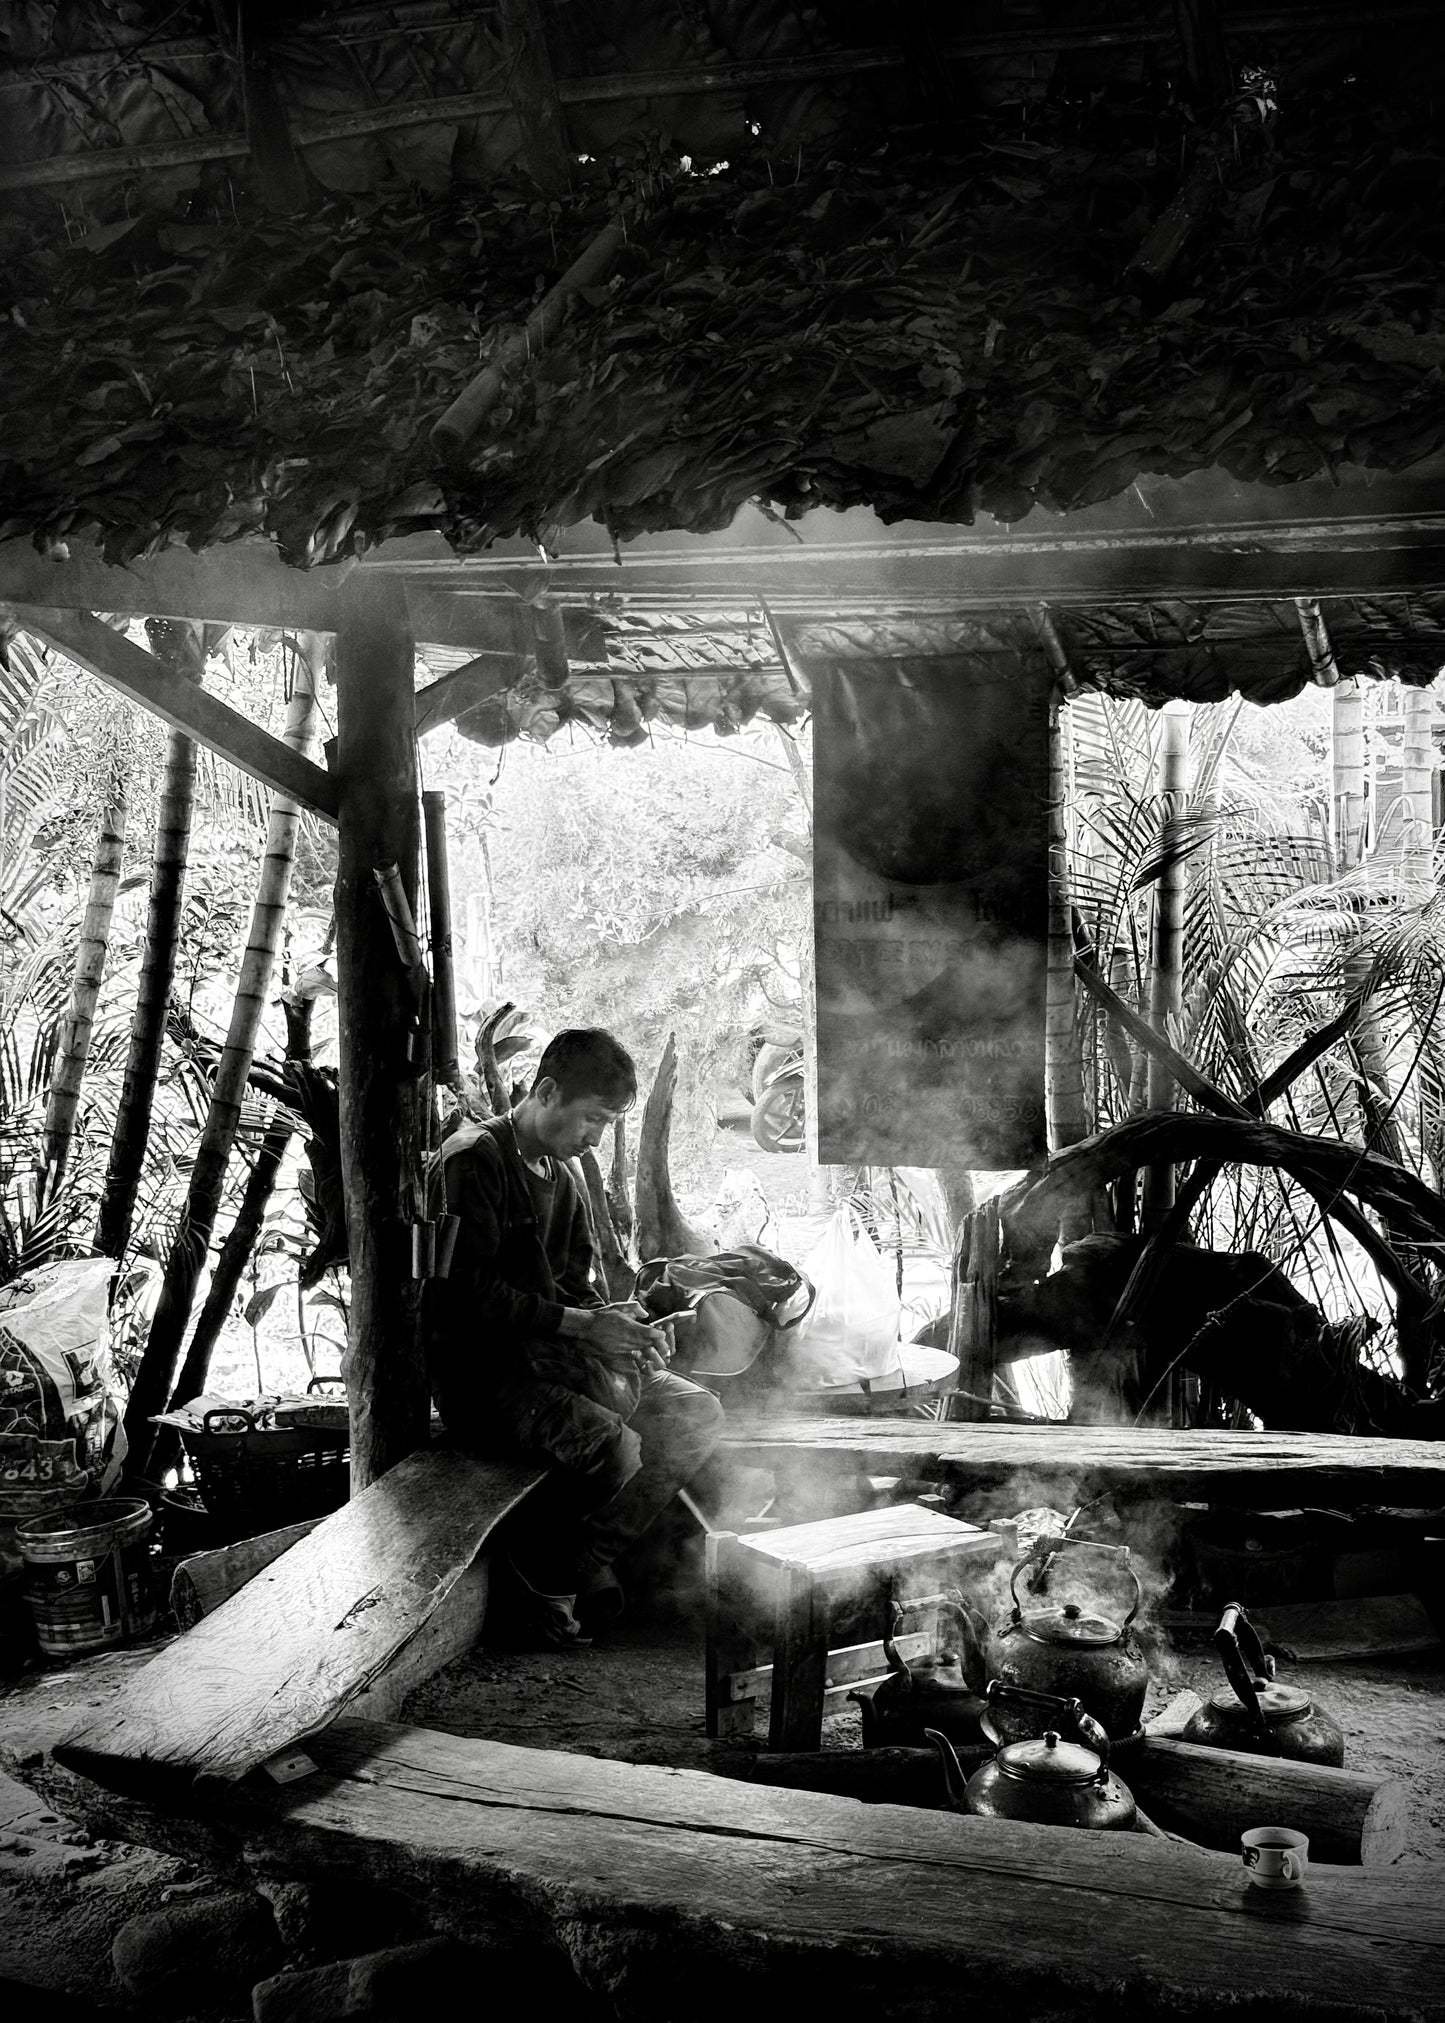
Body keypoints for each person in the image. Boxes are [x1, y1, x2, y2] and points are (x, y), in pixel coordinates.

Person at [427, 1027, 724, 1646]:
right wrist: (588, 1327)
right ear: (546, 1090)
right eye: (592, 1119)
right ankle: (552, 1585)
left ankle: (560, 1570)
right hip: (486, 1375)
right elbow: (466, 1296)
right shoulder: (472, 1159)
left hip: (557, 1360)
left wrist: (628, 1329)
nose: (594, 1137)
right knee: (614, 1448)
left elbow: (577, 1288)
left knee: (696, 1411)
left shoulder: (562, 1180)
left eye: (607, 1124)